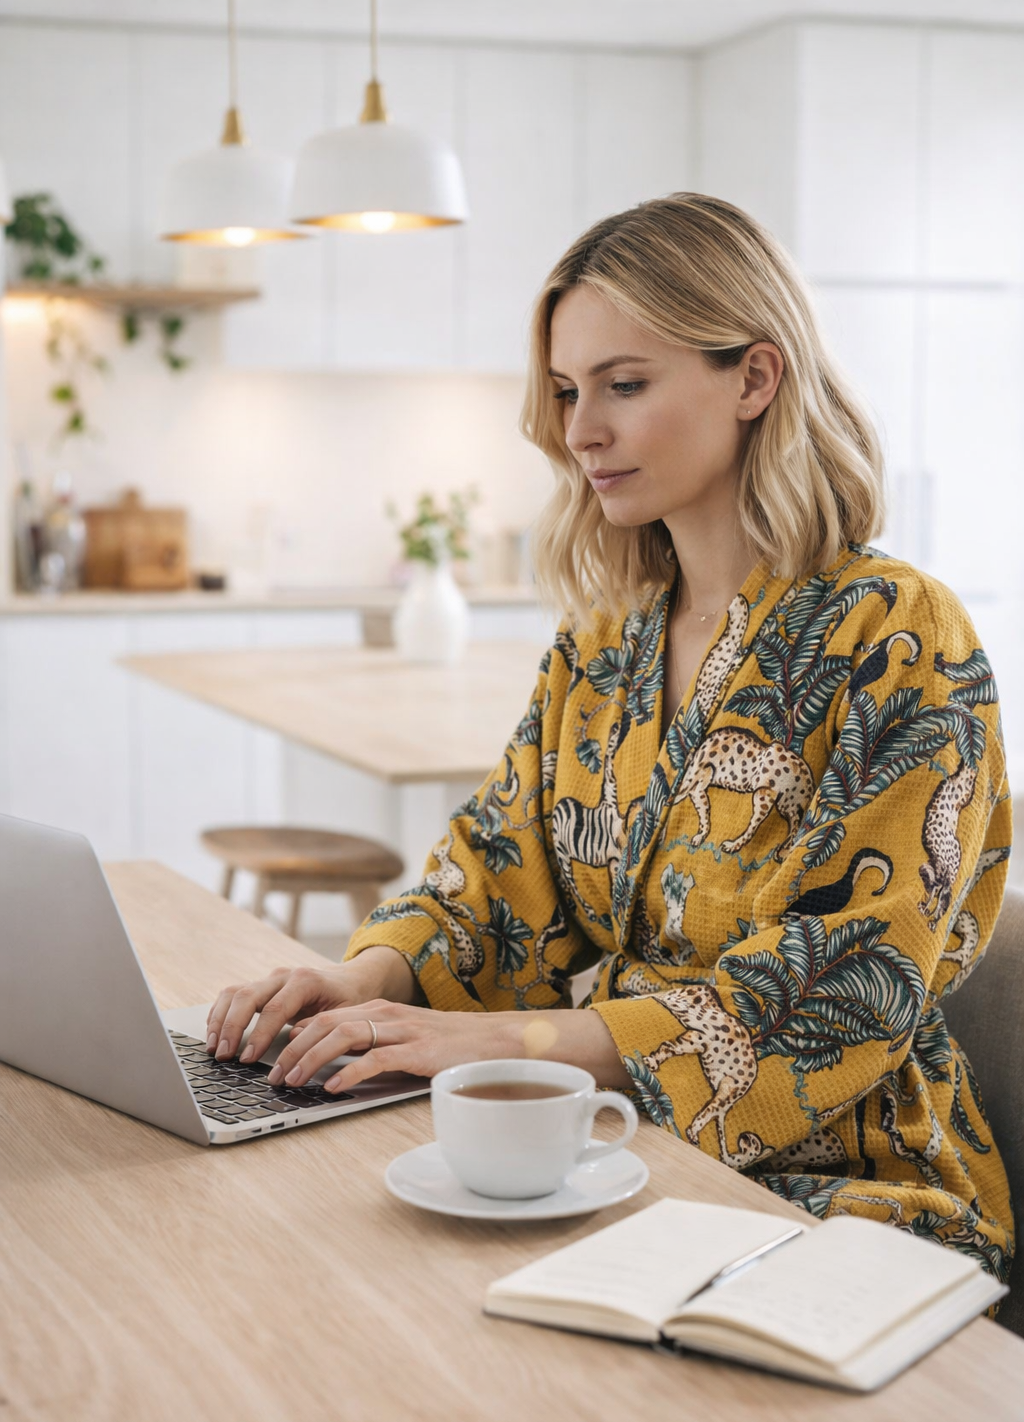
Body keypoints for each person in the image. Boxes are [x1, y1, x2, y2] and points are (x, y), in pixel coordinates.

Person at [206, 193, 1013, 1279]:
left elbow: (842, 989)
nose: (581, 429)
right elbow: (501, 872)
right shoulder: (604, 641)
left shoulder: (895, 634)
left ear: (754, 378)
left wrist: (505, 1047)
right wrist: (369, 981)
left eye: (623, 386)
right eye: (569, 390)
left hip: (857, 1198)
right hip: (622, 1152)